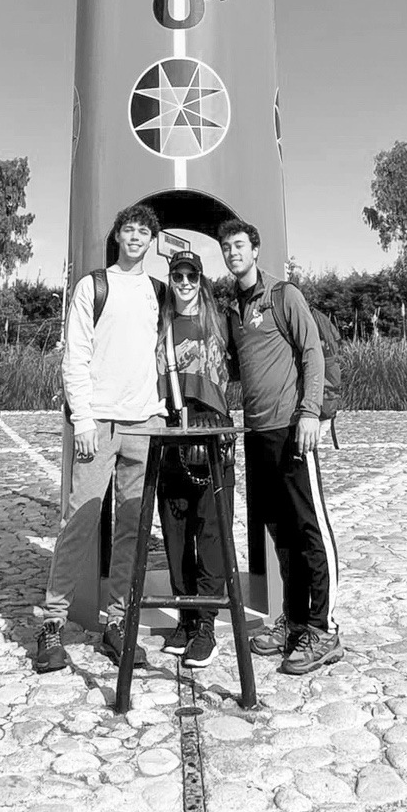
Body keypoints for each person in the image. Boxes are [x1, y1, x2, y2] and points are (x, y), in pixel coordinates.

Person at [35, 203, 165, 674]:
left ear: (153, 241)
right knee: (79, 521)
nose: (136, 238)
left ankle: (118, 622)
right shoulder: (93, 285)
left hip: (145, 424)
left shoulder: (157, 291)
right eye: (129, 230)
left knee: (132, 529)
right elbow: (77, 355)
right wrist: (83, 419)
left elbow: (169, 351)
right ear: (118, 236)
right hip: (100, 425)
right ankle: (52, 623)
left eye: (144, 232)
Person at [219, 217, 341, 675]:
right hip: (258, 434)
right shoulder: (236, 308)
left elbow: (312, 352)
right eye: (226, 247)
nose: (232, 253)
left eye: (239, 246)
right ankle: (292, 622)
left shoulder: (283, 296)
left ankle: (323, 628)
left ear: (255, 250)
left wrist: (310, 412)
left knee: (310, 529)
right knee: (280, 532)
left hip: (293, 428)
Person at [155, 250, 234, 670]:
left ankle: (206, 623)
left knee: (211, 532)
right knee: (174, 530)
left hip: (213, 433)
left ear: (201, 280)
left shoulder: (221, 322)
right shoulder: (161, 325)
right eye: (177, 275)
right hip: (172, 431)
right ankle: (185, 617)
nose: (184, 282)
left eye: (191, 276)